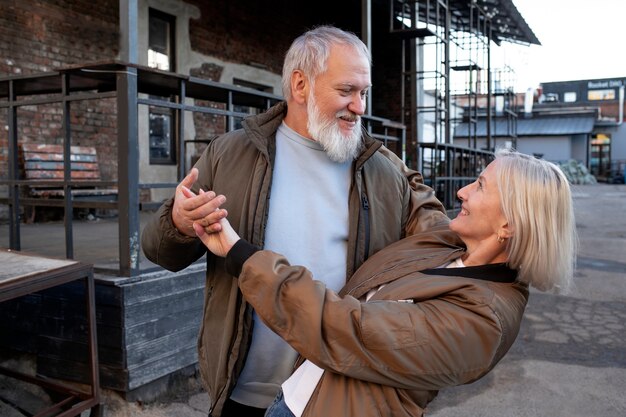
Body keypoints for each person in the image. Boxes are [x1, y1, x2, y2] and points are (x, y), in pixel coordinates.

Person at [141, 25, 452, 417]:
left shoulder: (383, 173)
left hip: (337, 394)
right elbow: (157, 249)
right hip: (242, 393)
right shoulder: (229, 154)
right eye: (346, 91)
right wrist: (179, 223)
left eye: (364, 93)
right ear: (300, 85)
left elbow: (434, 252)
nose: (360, 107)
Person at [193, 149, 578, 417]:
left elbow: (347, 327)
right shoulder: (449, 246)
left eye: (479, 185)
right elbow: (422, 201)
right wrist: (366, 147)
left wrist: (240, 253)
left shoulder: (482, 320)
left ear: (509, 224)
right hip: (297, 397)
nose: (462, 191)